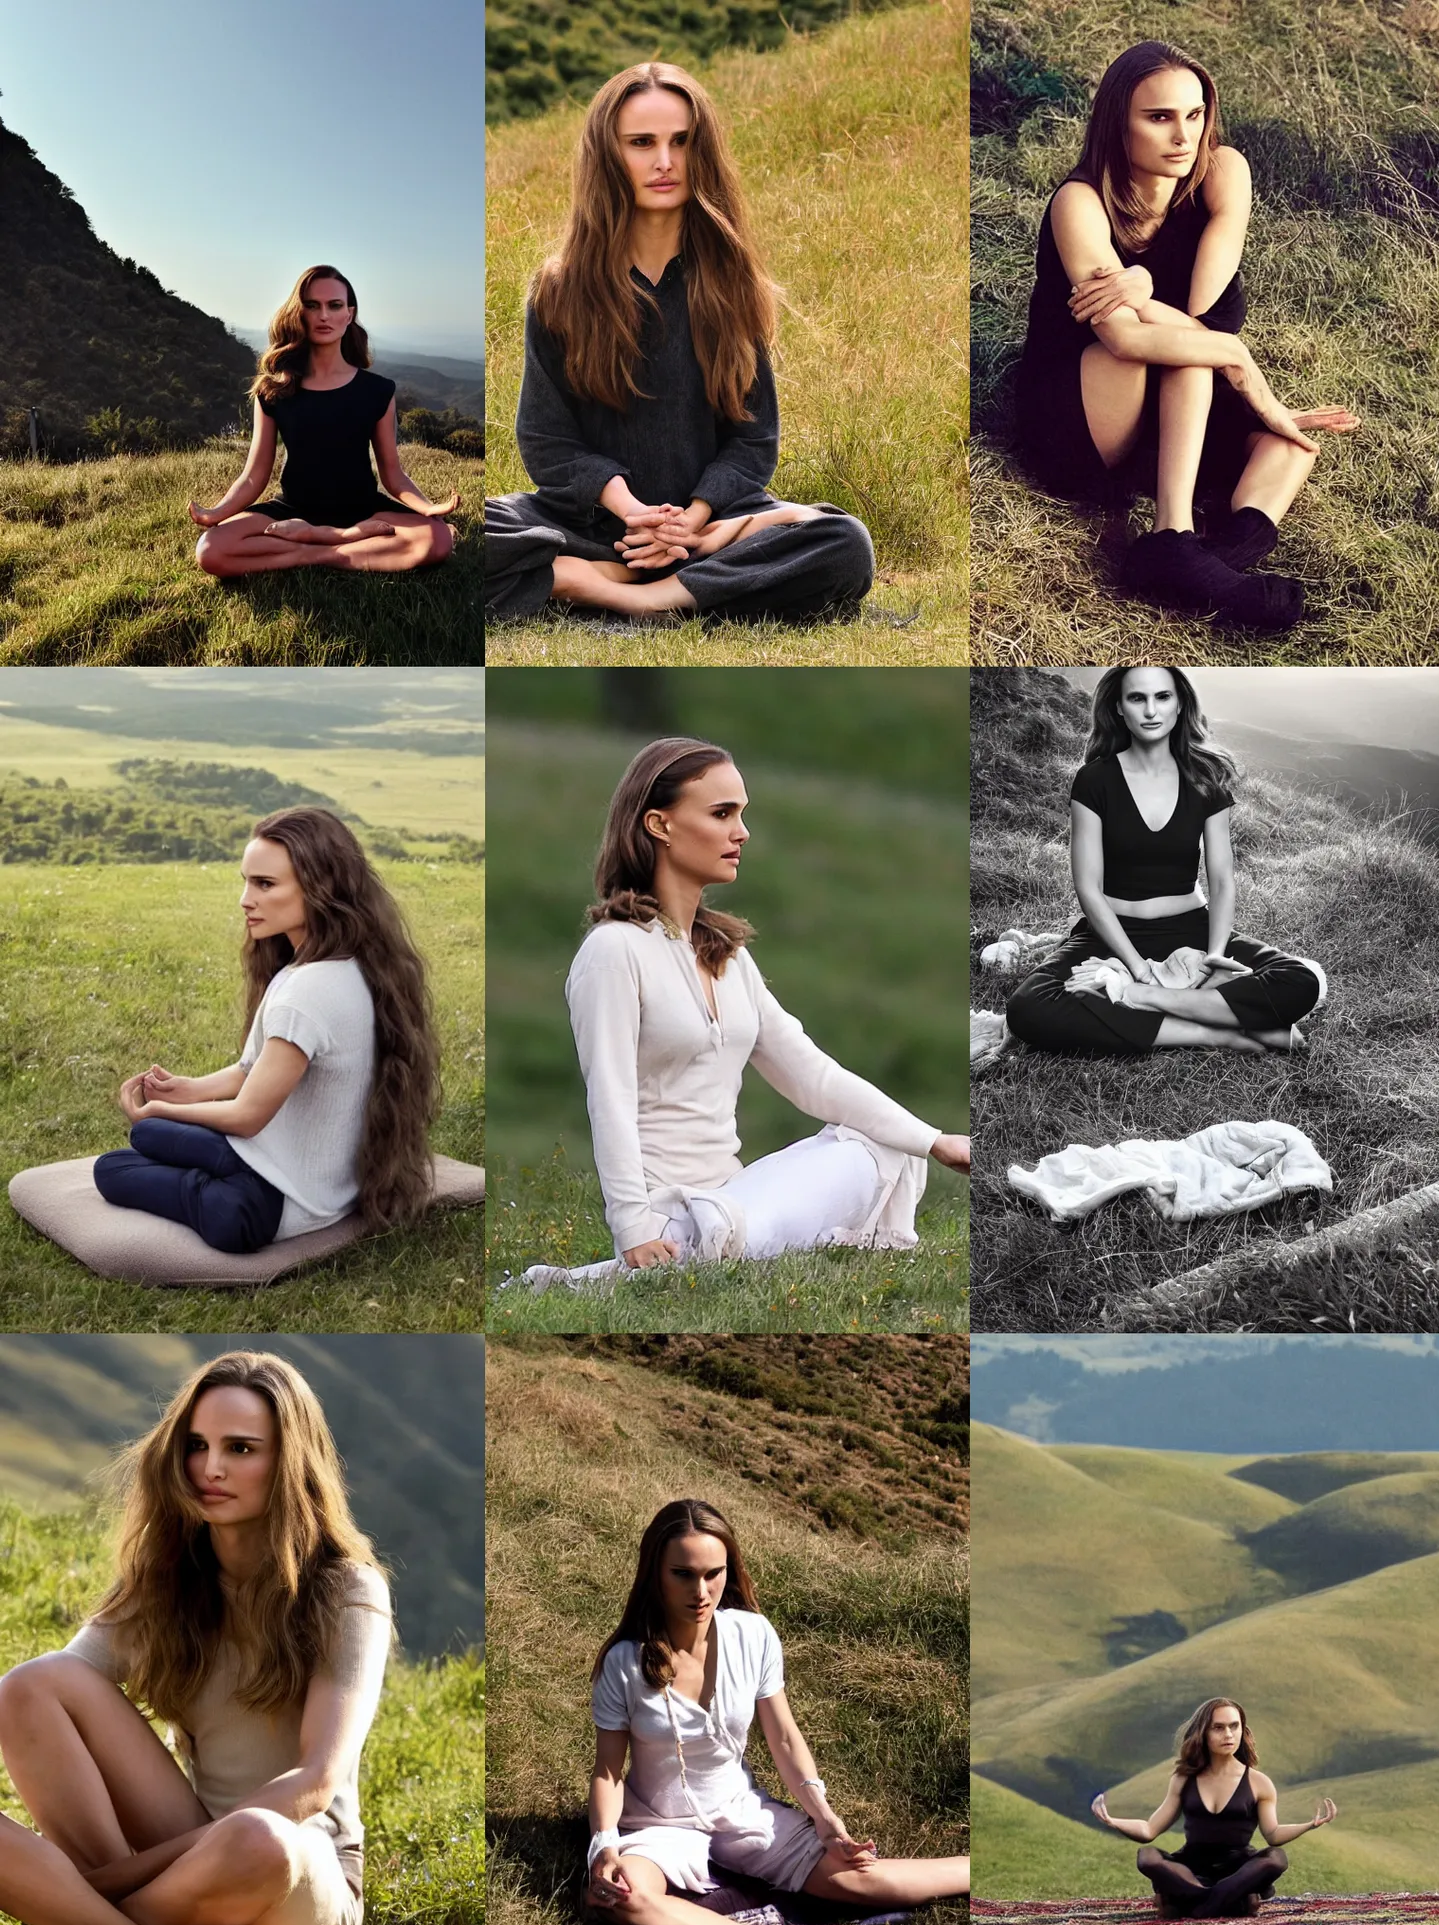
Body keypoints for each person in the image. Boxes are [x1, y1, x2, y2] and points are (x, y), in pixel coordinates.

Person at [0, 1351, 395, 1925]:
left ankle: (80, 1910)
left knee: (256, 1839)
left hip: (299, 1865)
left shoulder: (347, 1590)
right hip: (189, 1843)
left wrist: (107, 1878)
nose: (210, 1468)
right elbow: (49, 1703)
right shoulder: (168, 1580)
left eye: (241, 1449)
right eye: (197, 1445)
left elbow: (316, 1782)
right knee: (26, 1687)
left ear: (289, 1462)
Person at [517, 737, 969, 1288]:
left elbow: (813, 1076)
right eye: (721, 813)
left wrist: (935, 1141)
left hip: (738, 1195)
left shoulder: (729, 958)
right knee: (731, 1227)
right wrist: (633, 1228)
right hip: (671, 1210)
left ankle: (718, 1246)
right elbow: (608, 1097)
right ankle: (638, 1266)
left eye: (742, 814)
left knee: (885, 1146)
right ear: (659, 825)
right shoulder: (613, 954)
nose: (741, 832)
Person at [485, 62, 875, 625]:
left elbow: (753, 440)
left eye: (682, 142)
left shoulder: (731, 284)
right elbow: (546, 440)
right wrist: (633, 512)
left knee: (844, 541)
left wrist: (696, 519)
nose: (664, 162)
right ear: (608, 155)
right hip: (595, 527)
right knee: (473, 533)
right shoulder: (559, 289)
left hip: (710, 530)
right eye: (641, 143)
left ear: (703, 153)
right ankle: (642, 576)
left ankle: (633, 594)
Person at [1015, 41, 1359, 628]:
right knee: (1192, 358)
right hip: (1082, 412)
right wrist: (1236, 359)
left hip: (1172, 416)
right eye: (1159, 118)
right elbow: (1127, 339)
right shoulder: (1080, 202)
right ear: (1117, 126)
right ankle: (1173, 535)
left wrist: (1146, 284)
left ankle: (1208, 562)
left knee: (1290, 445)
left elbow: (1203, 309)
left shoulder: (1221, 173)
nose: (1184, 137)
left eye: (1194, 115)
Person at [585, 1499, 968, 1925]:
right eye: (683, 1574)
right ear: (655, 1574)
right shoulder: (625, 1662)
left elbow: (784, 1737)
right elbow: (606, 1770)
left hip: (740, 1810)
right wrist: (604, 1844)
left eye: (714, 1573)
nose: (701, 1591)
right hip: (658, 1824)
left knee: (859, 1880)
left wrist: (823, 1816)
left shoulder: (754, 1635)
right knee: (623, 1901)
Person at [93, 807, 440, 1251]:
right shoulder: (337, 966)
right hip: (317, 1179)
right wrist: (189, 1089)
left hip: (276, 1199)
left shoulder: (307, 992)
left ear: (321, 888)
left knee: (118, 1165)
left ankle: (207, 1186)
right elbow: (251, 1070)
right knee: (147, 1138)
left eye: (265, 884)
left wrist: (161, 1111)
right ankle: (208, 1171)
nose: (245, 899)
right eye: (246, 880)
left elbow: (246, 1116)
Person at [1005, 665, 1324, 1054]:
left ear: (1180, 704)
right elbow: (1088, 887)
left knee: (1298, 980)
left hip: (1193, 928)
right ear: (1119, 708)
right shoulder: (1094, 780)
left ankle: (1142, 999)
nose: (1151, 711)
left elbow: (1222, 880)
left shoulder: (1207, 776)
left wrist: (1215, 957)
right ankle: (1214, 1033)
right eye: (1137, 698)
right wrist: (1138, 967)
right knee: (1028, 1006)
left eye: (1162, 697)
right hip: (1112, 934)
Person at [189, 265, 458, 577]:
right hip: (292, 510)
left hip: (363, 509)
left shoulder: (378, 390)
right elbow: (254, 476)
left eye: (335, 306)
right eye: (313, 306)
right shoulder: (274, 390)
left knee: (437, 540)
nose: (324, 316)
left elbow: (393, 475)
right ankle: (344, 548)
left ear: (349, 314)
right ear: (299, 314)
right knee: (210, 550)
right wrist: (217, 513)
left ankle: (318, 546)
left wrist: (427, 508)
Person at [1091, 1697, 1337, 1917]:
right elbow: (1148, 1830)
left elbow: (1272, 1835)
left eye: (1234, 1726)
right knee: (1147, 1858)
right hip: (1190, 1870)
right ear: (1203, 1733)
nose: (1228, 1734)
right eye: (1218, 1728)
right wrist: (1113, 1821)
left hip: (1239, 1870)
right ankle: (1228, 1901)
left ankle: (1195, 1905)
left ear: (1243, 1729)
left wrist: (1309, 1825)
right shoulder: (1183, 1779)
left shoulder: (1258, 1782)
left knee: (1276, 1859)